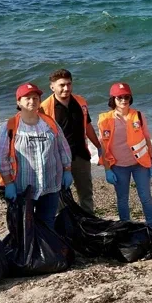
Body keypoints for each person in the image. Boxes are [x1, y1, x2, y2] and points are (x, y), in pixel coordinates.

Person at [0, 83, 73, 227]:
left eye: (35, 98)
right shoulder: (10, 127)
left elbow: (64, 148)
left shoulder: (50, 123)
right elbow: (2, 159)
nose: (32, 101)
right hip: (22, 188)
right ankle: (28, 250)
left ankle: (45, 250)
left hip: (51, 185)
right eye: (27, 98)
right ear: (18, 102)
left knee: (47, 222)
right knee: (24, 226)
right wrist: (8, 183)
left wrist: (67, 170)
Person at [39, 69, 103, 215]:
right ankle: (65, 226)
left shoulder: (80, 102)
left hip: (81, 155)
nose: (66, 88)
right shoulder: (44, 108)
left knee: (86, 193)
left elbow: (87, 126)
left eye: (69, 84)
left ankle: (88, 222)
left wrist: (99, 147)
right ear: (52, 87)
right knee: (61, 197)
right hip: (58, 159)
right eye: (62, 85)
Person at [98, 82, 152, 227]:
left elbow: (147, 139)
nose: (123, 100)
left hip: (140, 164)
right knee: (122, 198)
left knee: (145, 197)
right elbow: (103, 147)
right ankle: (125, 226)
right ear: (113, 99)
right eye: (119, 97)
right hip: (118, 166)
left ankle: (151, 225)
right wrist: (107, 169)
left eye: (126, 97)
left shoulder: (138, 116)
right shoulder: (105, 119)